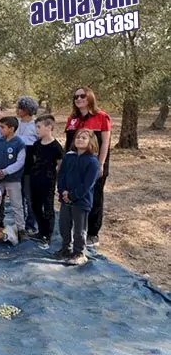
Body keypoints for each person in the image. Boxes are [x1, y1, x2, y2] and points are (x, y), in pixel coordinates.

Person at [64, 87, 112, 248]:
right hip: (75, 163)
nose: (78, 99)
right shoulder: (72, 118)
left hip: (94, 164)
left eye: (82, 96)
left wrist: (101, 163)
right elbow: (69, 143)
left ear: (90, 97)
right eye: (76, 96)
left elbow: (105, 142)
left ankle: (92, 233)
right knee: (76, 193)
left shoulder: (102, 117)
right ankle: (77, 229)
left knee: (95, 196)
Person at [57, 128, 100, 265]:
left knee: (79, 230)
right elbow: (62, 174)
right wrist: (62, 191)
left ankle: (79, 253)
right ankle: (65, 248)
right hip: (65, 199)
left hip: (81, 201)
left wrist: (73, 195)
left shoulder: (93, 162)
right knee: (64, 225)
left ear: (91, 142)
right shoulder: (69, 157)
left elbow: (88, 184)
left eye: (84, 138)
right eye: (78, 137)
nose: (79, 139)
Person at [29, 115, 65, 249]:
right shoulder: (36, 144)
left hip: (48, 182)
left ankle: (47, 236)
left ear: (49, 127)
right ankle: (40, 231)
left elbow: (60, 164)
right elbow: (34, 159)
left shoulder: (56, 147)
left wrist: (52, 175)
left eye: (39, 127)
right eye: (36, 127)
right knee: (35, 206)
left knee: (48, 209)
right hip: (35, 180)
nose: (36, 130)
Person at [0, 116, 26, 240]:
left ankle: (21, 229)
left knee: (17, 205)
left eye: (3, 127)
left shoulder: (19, 143)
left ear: (11, 129)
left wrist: (5, 171)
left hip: (13, 179)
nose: (0, 129)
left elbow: (20, 162)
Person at [16, 96, 39, 234]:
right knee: (18, 196)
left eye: (20, 107)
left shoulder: (36, 125)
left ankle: (32, 224)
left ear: (26, 110)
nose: (17, 110)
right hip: (16, 164)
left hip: (30, 164)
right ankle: (21, 222)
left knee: (29, 195)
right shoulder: (16, 123)